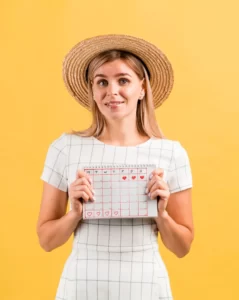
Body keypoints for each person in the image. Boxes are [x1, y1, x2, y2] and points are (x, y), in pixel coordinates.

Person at [37, 34, 194, 300]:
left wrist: (162, 215)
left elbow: (182, 247)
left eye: (123, 80)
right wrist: (74, 213)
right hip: (82, 285)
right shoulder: (65, 148)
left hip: (145, 285)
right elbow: (46, 241)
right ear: (93, 90)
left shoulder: (171, 153)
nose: (112, 91)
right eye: (102, 82)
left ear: (142, 88)